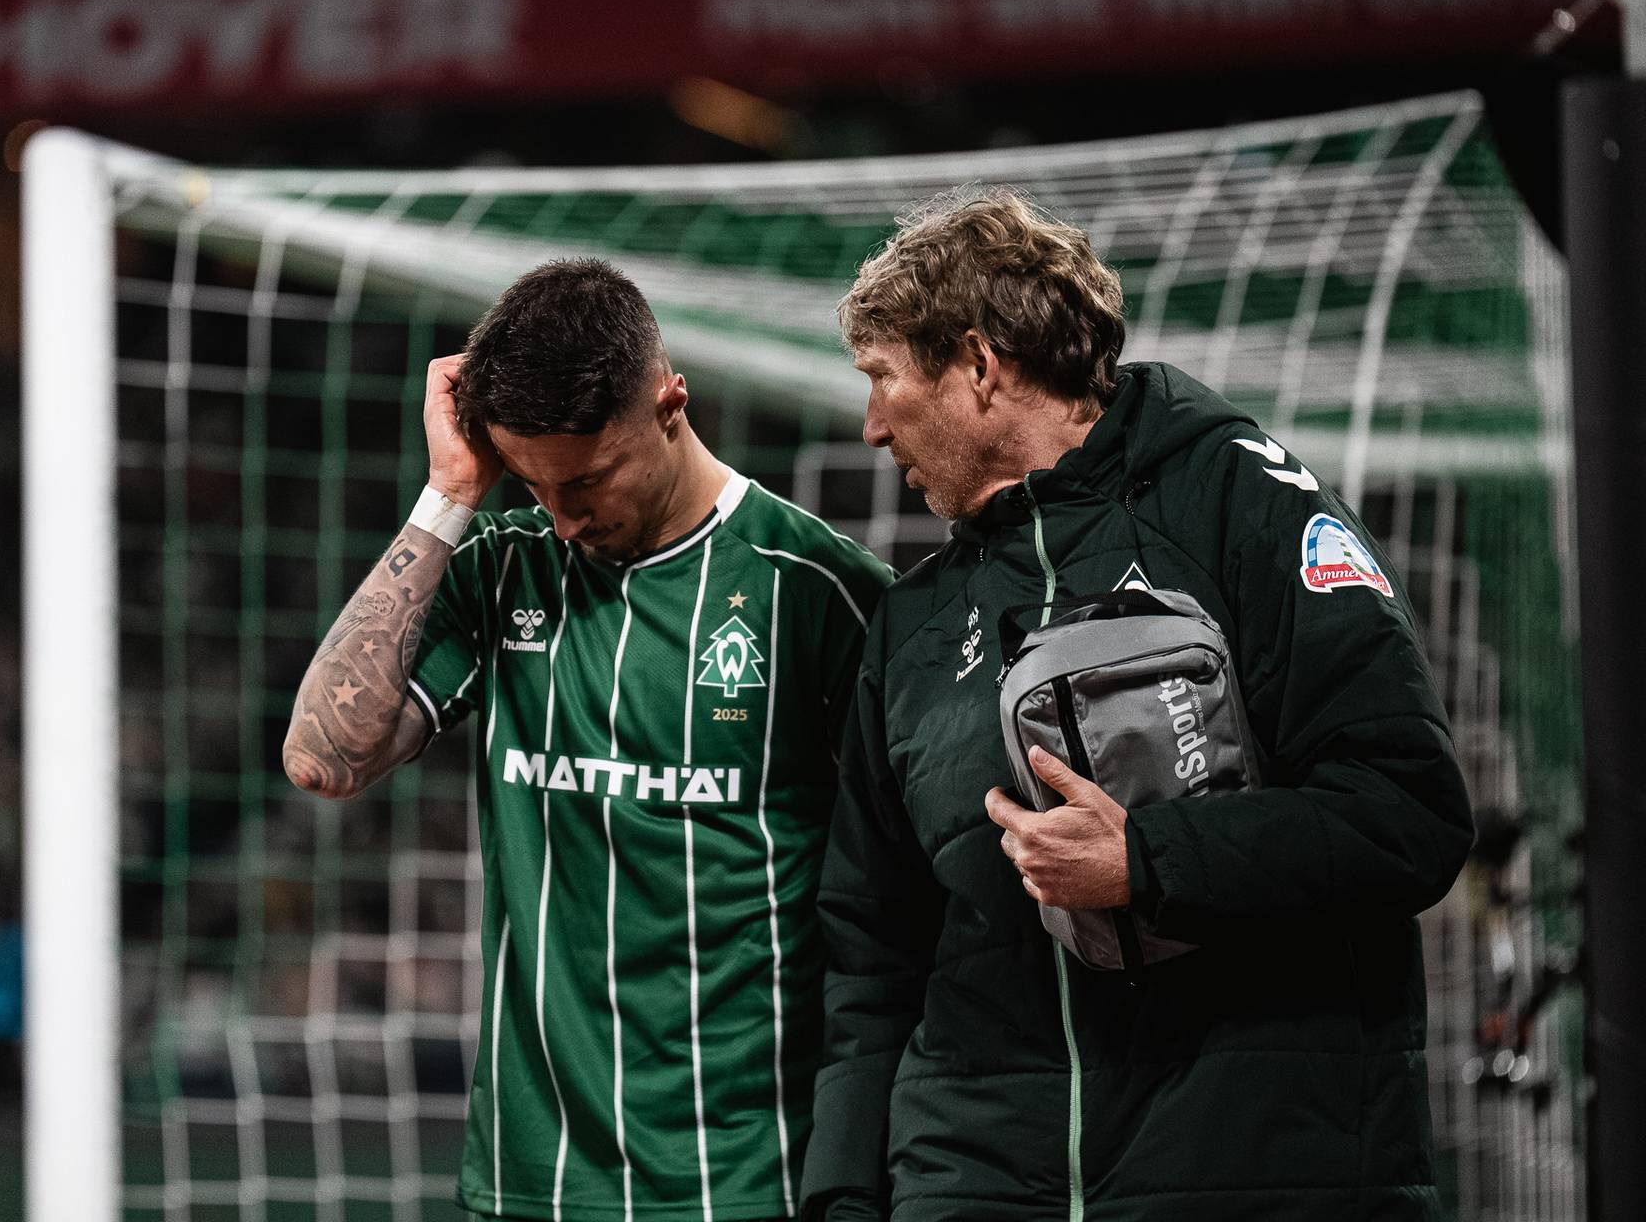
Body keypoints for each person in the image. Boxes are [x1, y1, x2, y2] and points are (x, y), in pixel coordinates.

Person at [800, 189, 1474, 1221]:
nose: (872, 424)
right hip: (975, 1180)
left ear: (979, 364)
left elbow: (1408, 812)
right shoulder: (913, 626)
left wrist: (1148, 864)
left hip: (1251, 1172)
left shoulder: (1242, 505)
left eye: (884, 380)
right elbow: (871, 950)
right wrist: (842, 1197)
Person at [283, 258, 892, 1221]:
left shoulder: (819, 592)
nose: (562, 519)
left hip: (744, 1180)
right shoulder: (502, 568)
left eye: (588, 480)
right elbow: (325, 756)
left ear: (670, 403)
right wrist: (449, 497)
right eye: (533, 486)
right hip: (529, 1181)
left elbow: (896, 911)